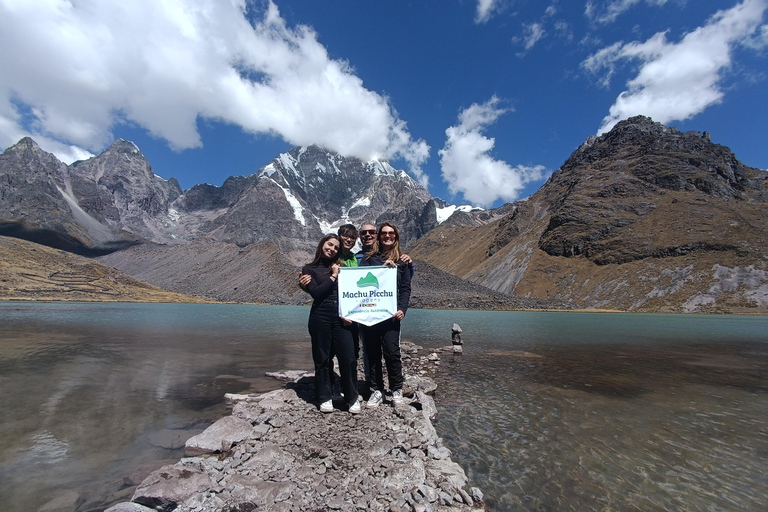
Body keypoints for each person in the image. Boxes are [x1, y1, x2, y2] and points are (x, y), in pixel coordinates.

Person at [301, 234, 360, 414]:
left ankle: (352, 398)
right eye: (329, 245)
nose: (332, 249)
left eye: (336, 247)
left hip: (343, 317)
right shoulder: (309, 269)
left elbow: (355, 291)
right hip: (320, 317)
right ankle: (325, 397)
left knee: (348, 358)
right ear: (322, 245)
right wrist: (334, 276)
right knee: (322, 359)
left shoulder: (344, 268)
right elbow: (317, 293)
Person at [359, 222, 411, 408]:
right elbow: (360, 282)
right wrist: (382, 267)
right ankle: (377, 390)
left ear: (395, 236)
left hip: (391, 316)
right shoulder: (368, 258)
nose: (387, 236)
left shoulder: (403, 262)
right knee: (372, 353)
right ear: (379, 237)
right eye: (384, 233)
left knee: (392, 352)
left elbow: (405, 289)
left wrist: (402, 309)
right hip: (371, 314)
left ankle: (396, 389)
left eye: (391, 233)